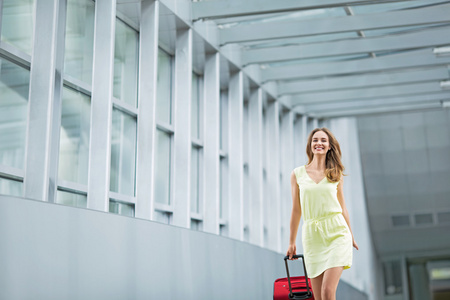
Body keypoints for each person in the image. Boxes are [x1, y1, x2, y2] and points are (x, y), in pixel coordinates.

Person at [286, 128, 359, 300]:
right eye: (315, 140)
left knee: (327, 291)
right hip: (313, 237)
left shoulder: (335, 173)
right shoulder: (297, 174)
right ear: (310, 145)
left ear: (329, 147)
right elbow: (296, 210)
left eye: (323, 141)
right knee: (318, 297)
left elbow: (343, 208)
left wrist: (351, 235)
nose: (319, 143)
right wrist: (291, 242)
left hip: (337, 233)